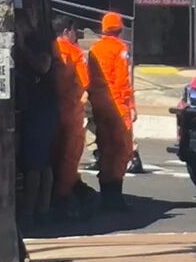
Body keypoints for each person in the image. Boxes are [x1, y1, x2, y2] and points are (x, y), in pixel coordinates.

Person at [88, 11, 136, 211]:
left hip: (99, 104)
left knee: (105, 148)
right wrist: (131, 106)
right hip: (117, 105)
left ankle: (106, 193)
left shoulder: (94, 49)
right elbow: (123, 81)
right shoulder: (120, 49)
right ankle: (115, 197)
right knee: (121, 151)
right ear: (120, 28)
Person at [14, 11, 58, 229]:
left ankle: (34, 210)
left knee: (36, 163)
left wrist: (22, 47)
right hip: (32, 107)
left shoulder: (38, 41)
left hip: (43, 108)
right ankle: (41, 208)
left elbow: (44, 66)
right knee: (38, 162)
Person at [50, 15, 95, 218]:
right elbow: (86, 84)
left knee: (52, 154)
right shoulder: (75, 53)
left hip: (50, 110)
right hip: (71, 111)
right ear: (68, 31)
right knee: (70, 156)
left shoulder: (49, 49)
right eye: (74, 31)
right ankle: (64, 198)